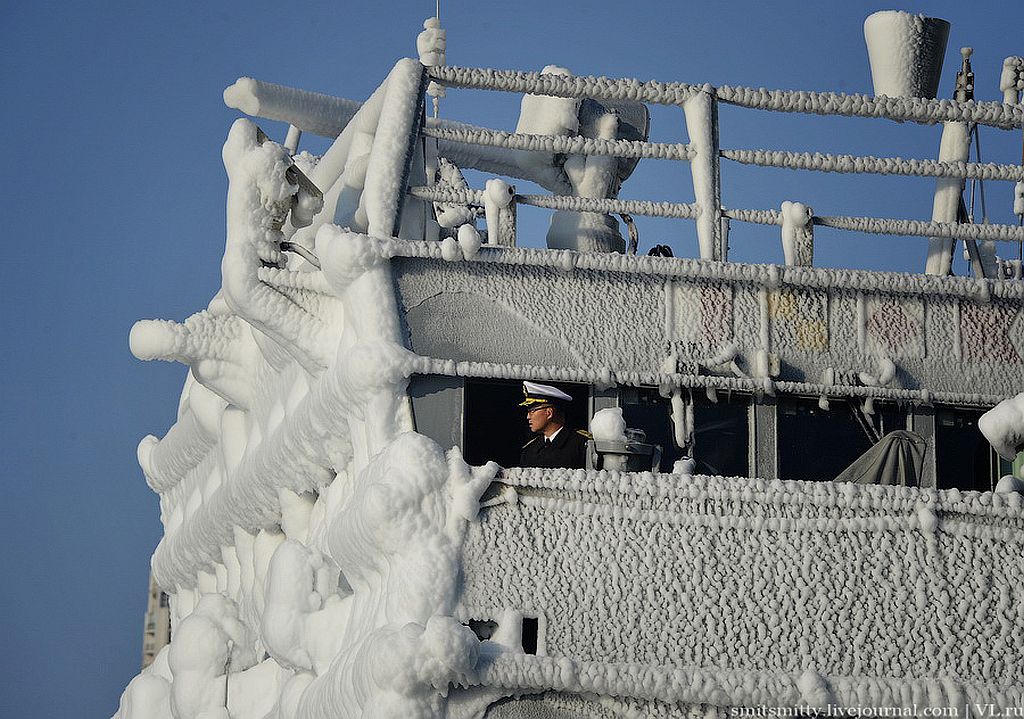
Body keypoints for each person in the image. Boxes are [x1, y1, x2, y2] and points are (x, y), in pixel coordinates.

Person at [518, 381, 592, 469]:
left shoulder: (581, 444)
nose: (528, 417)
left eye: (532, 411)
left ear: (549, 413)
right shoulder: (530, 449)